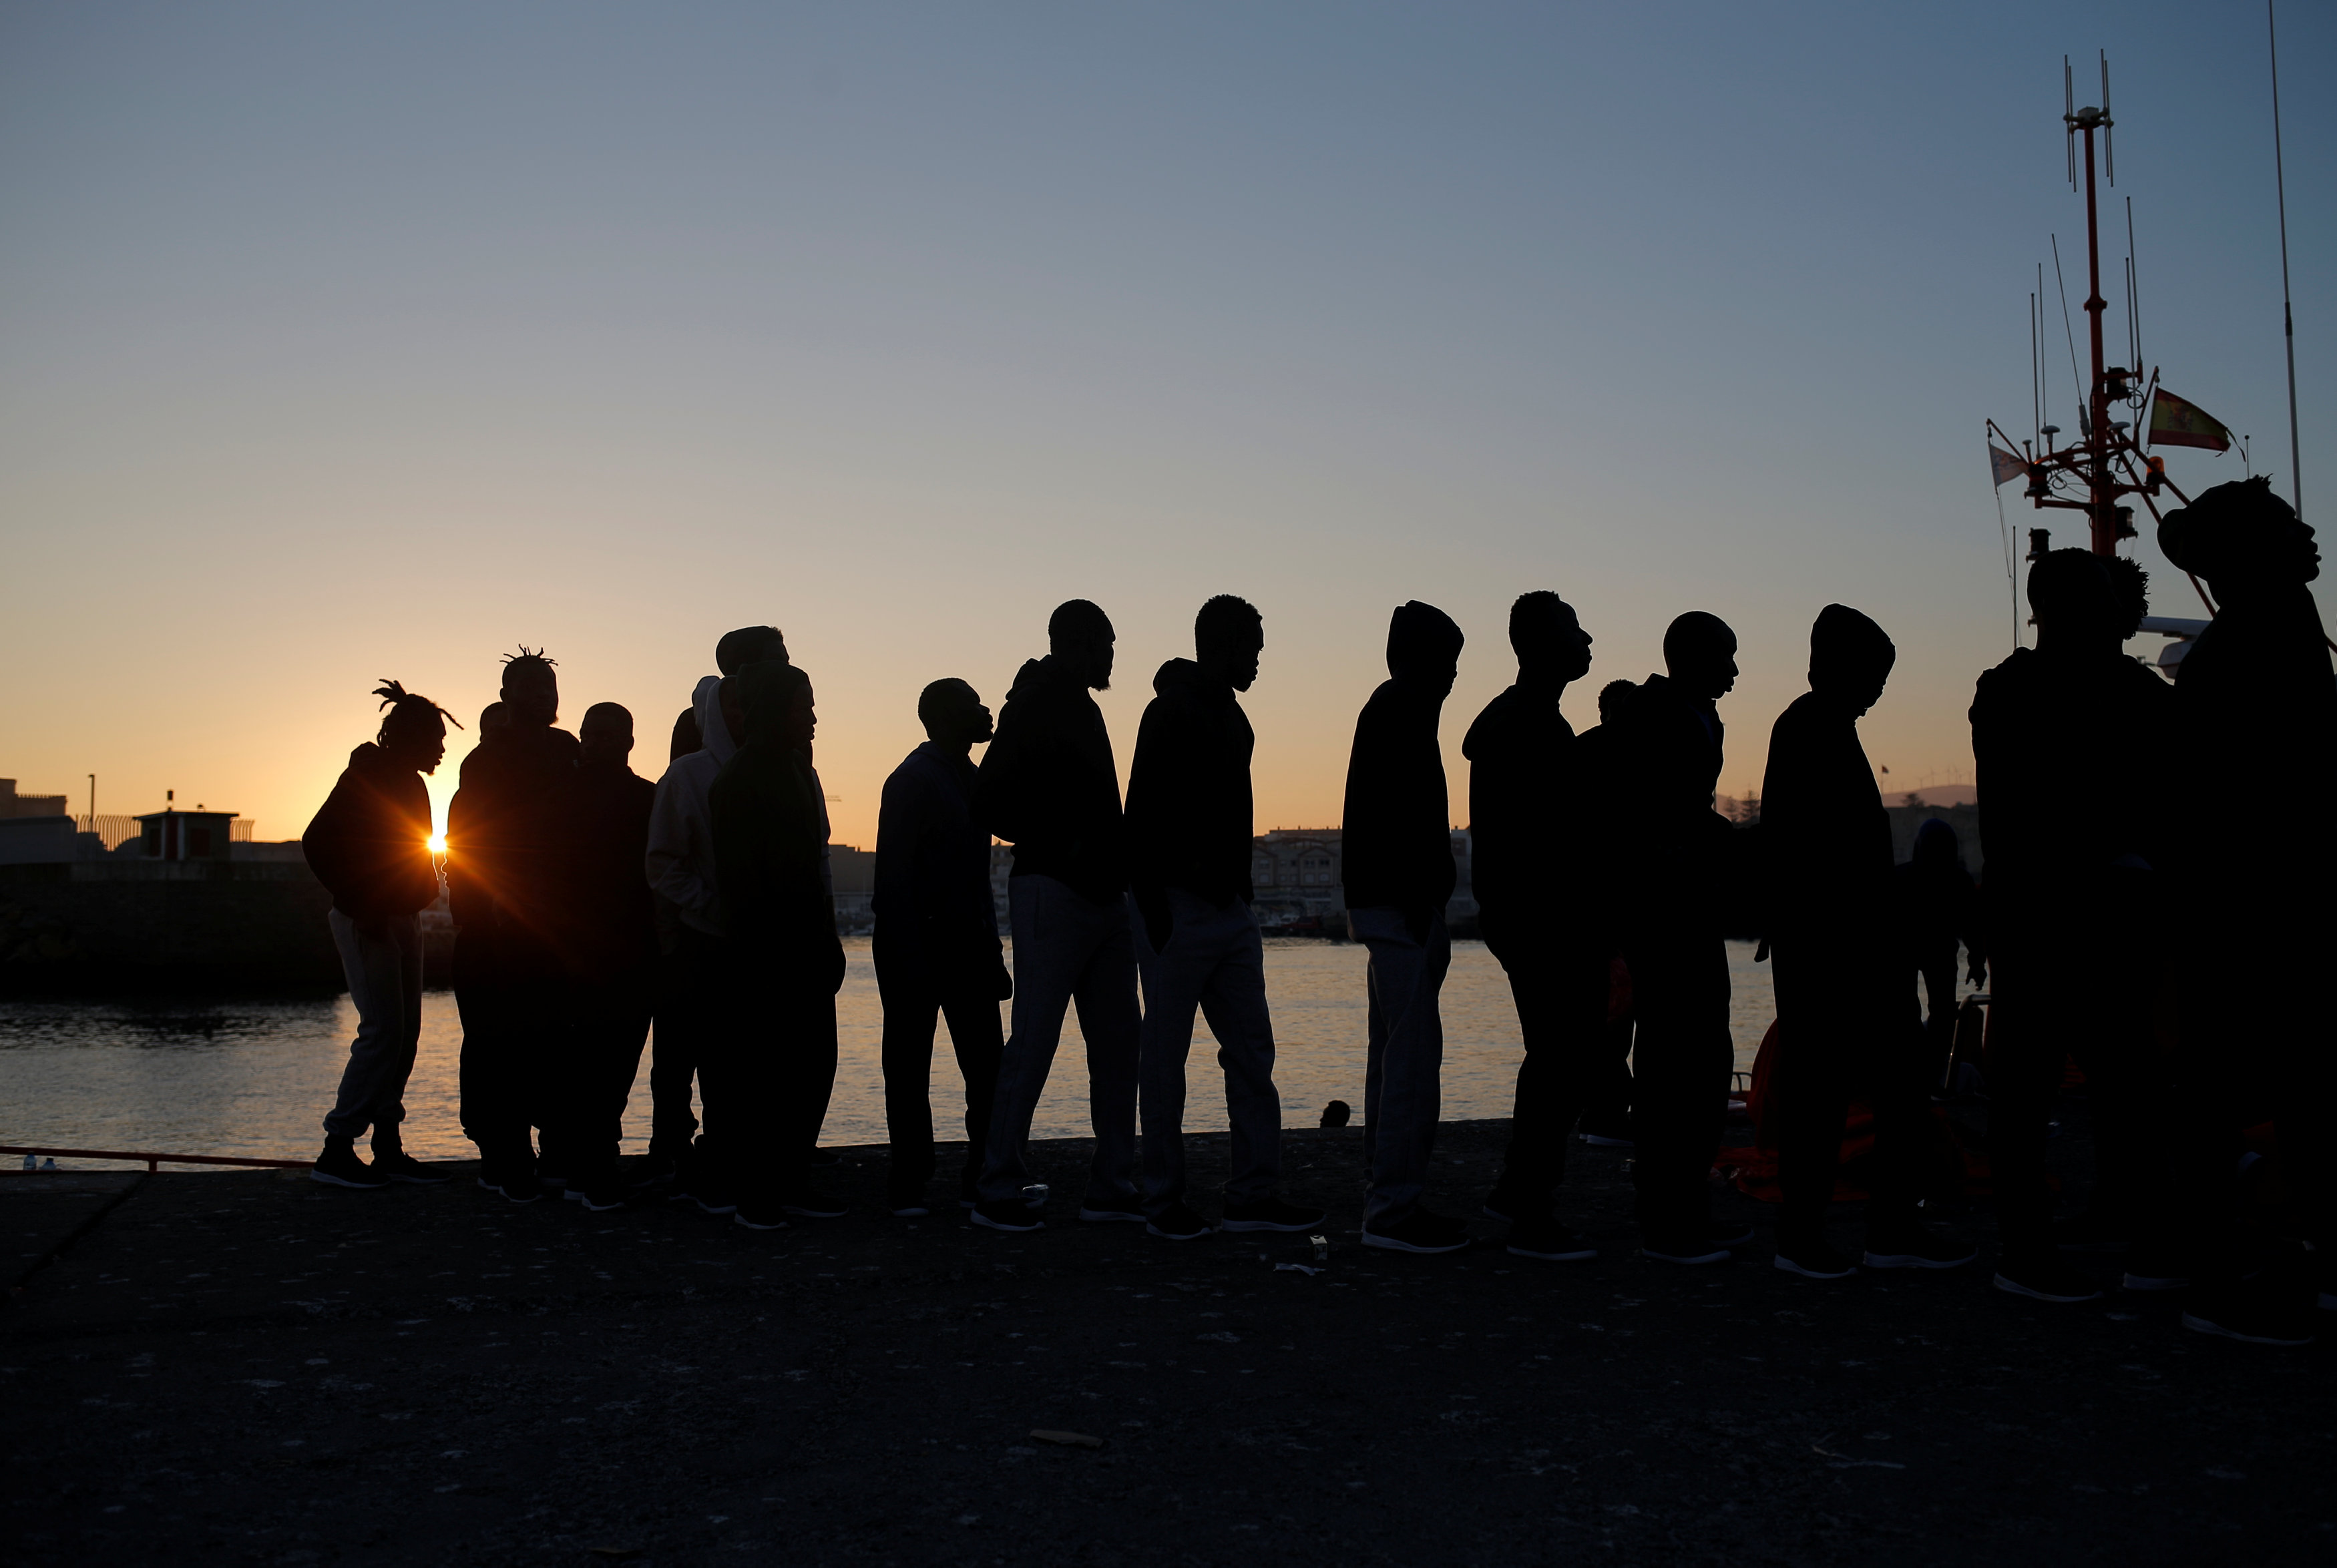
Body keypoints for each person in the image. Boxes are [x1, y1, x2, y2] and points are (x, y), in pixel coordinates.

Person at [2158, 479, 2334, 1344]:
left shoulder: (2245, 641)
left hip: (2245, 901)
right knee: (2248, 1084)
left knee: (2249, 1083)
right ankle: (2216, 1281)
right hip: (2259, 902)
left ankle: (2247, 1265)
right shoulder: (2277, 632)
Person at [1970, 550, 2172, 1305]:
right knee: (2028, 1089)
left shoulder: (2114, 690)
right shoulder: (2017, 691)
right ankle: (2026, 1251)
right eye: (2092, 599)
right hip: (2044, 919)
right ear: (2050, 603)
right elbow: (2040, 807)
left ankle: (2136, 1225)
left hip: (2097, 920)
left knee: (2128, 1082)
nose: (2110, 614)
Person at [1762, 605, 1974, 1278]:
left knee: (1888, 1087)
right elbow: (1814, 856)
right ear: (1837, 665)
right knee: (1825, 1094)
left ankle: (1885, 1226)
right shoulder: (1810, 729)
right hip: (1835, 952)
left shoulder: (1817, 727)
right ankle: (1807, 1236)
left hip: (1846, 948)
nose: (1879, 689)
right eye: (1874, 674)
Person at [1126, 595, 1327, 1241]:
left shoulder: (1233, 720)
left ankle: (1252, 1194)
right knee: (1168, 1059)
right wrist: (1156, 909)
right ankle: (1164, 1198)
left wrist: (1235, 892)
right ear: (1227, 644)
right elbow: (1143, 816)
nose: (1261, 658)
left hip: (1224, 909)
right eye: (1255, 646)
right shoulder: (1169, 714)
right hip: (1180, 908)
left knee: (1249, 1051)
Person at [968, 599, 1143, 1233]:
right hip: (1056, 890)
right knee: (1037, 1039)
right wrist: (1063, 844)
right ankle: (999, 1184)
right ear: (1080, 644)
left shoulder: (1075, 706)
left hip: (1097, 895)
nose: (1114, 656)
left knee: (1120, 1040)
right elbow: (986, 800)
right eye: (1108, 644)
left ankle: (1113, 1182)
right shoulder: (1037, 706)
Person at [1462, 591, 1606, 1262]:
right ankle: (1528, 1208)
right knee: (1560, 1058)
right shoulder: (1533, 728)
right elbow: (1557, 839)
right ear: (1545, 643)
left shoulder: (1519, 720)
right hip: (1543, 920)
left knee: (1556, 1056)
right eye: (1575, 634)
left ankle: (1521, 1191)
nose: (1586, 645)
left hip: (1523, 917)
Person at [1605, 611, 1743, 1264]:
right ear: (1692, 657)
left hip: (1687, 907)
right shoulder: (1657, 716)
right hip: (1664, 914)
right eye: (1725, 658)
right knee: (1674, 1063)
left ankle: (1682, 1200)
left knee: (1703, 1057)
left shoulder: (1693, 714)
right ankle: (1667, 1214)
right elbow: (1652, 818)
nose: (1734, 672)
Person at [1343, 600, 1469, 1254]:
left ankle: (1383, 1189)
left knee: (1391, 1060)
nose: (1451, 678)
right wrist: (1424, 902)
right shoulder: (1401, 714)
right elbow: (1405, 825)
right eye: (1445, 664)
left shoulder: (1389, 710)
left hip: (1389, 907)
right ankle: (1392, 1209)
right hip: (1401, 911)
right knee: (1411, 1063)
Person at [302, 680, 461, 1190]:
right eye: (435, 737)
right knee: (382, 1032)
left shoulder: (408, 781)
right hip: (369, 920)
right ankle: (337, 1148)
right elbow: (317, 840)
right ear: (411, 736)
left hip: (401, 917)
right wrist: (364, 903)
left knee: (406, 1034)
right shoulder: (367, 774)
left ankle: (387, 1147)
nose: (441, 746)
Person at [709, 659, 847, 1231]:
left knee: (813, 1069)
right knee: (766, 1078)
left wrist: (826, 939)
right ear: (774, 711)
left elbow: (812, 869)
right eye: (802, 705)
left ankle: (791, 1179)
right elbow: (745, 887)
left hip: (807, 951)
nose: (812, 717)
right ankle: (757, 1194)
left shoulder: (795, 770)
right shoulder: (739, 781)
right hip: (767, 958)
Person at [873, 679, 1010, 1218]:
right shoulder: (915, 780)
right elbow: (894, 880)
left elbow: (978, 880)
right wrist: (910, 956)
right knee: (913, 1068)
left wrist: (992, 948)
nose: (986, 709)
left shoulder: (967, 778)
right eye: (975, 704)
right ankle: (913, 1177)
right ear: (948, 716)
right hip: (922, 947)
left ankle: (974, 1171)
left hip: (964, 947)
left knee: (984, 1070)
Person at [448, 648, 580, 1202]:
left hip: (557, 926)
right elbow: (470, 844)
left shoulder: (567, 752)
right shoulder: (483, 762)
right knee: (497, 1045)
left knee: (555, 1043)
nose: (544, 696)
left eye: (549, 685)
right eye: (531, 687)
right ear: (507, 697)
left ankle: (552, 1150)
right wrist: (494, 899)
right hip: (496, 930)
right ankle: (504, 1155)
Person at [544, 702, 658, 1213]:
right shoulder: (644, 798)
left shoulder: (637, 798)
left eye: (605, 736)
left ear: (629, 741)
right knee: (600, 1064)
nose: (594, 744)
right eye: (589, 735)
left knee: (599, 1063)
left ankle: (580, 1165)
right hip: (599, 951)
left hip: (612, 949)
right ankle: (595, 1168)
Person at [645, 674, 746, 1214]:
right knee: (691, 1062)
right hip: (698, 944)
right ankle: (686, 1162)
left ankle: (725, 1159)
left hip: (751, 946)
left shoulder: (776, 770)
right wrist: (708, 904)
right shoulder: (685, 777)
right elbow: (661, 863)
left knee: (737, 1066)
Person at [1893, 818, 1985, 1091]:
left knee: (1929, 1015)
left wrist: (1977, 961)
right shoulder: (1960, 880)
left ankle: (1922, 1075)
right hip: (1921, 954)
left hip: (1915, 954)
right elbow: (1972, 928)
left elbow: (1972, 927)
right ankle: (1930, 1074)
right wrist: (1977, 962)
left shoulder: (1901, 878)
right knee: (1931, 1015)